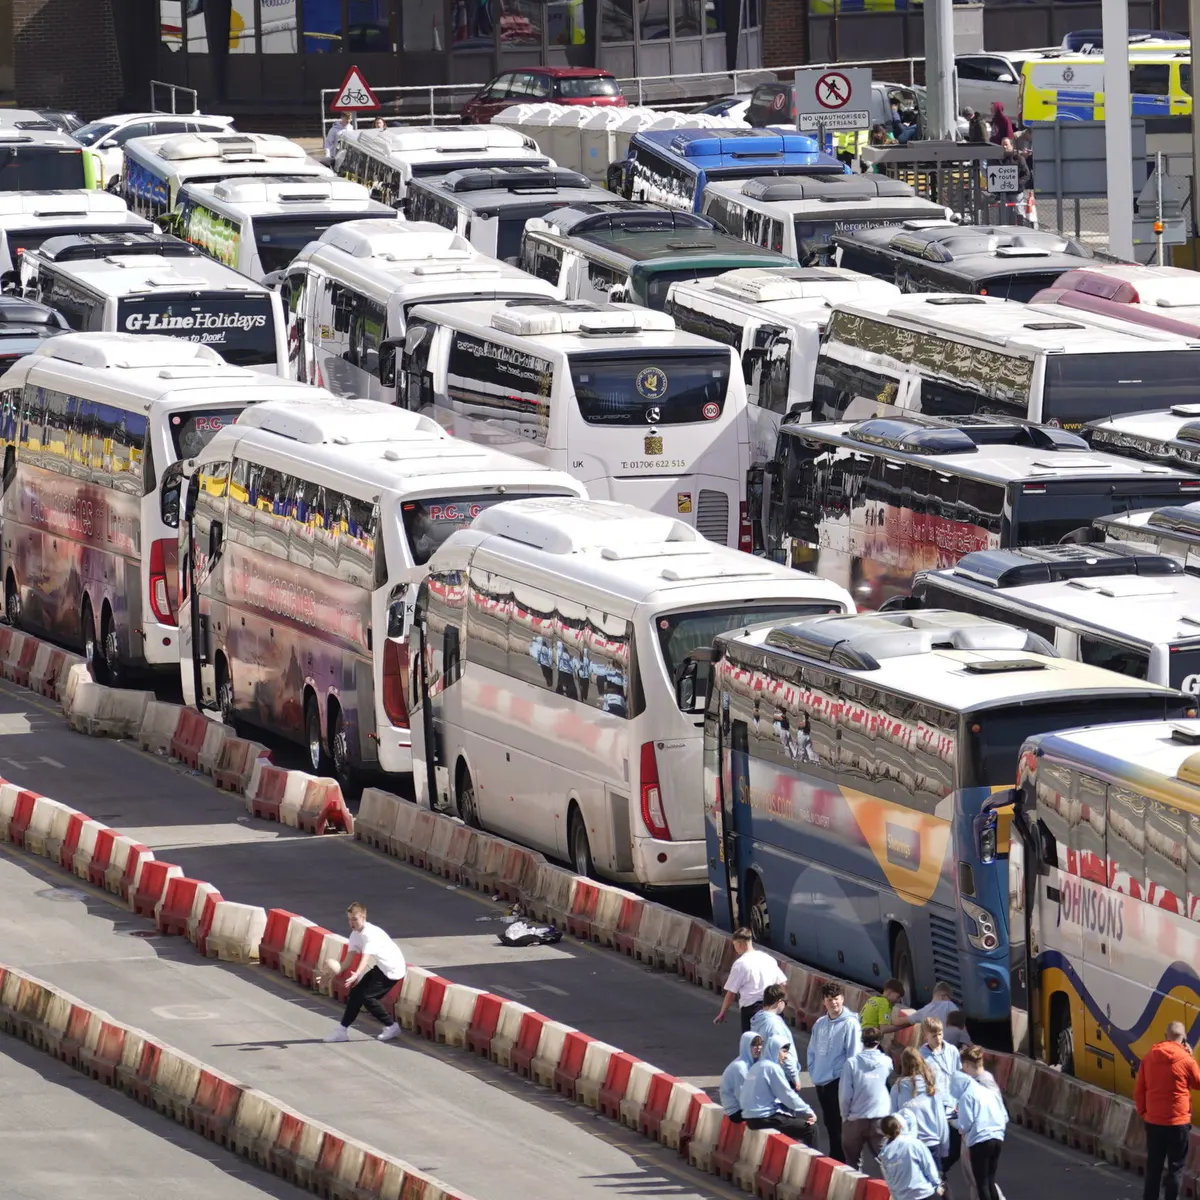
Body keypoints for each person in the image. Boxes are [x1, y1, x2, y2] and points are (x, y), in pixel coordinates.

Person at [318, 901, 405, 1043]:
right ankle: (341, 1031)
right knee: (355, 994)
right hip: (382, 967)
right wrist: (329, 974)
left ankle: (392, 1026)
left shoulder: (369, 934)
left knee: (367, 997)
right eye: (349, 920)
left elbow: (365, 958)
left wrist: (357, 974)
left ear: (363, 917)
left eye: (355, 919)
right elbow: (346, 962)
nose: (352, 923)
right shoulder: (354, 935)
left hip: (393, 969)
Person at [1135, 1020, 1200, 1200]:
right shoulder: (1186, 1060)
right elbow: (1198, 1083)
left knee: (1153, 1168)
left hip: (1154, 1122)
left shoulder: (1149, 1057)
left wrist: (1144, 1113)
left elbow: (1139, 1090)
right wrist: (1191, 1057)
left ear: (1165, 1037)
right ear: (1184, 1039)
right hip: (1178, 1124)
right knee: (1176, 1169)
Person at [807, 980, 863, 1162]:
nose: (834, 1003)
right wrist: (814, 1072)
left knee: (841, 1126)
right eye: (829, 999)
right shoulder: (820, 1024)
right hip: (820, 1081)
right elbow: (812, 1051)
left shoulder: (850, 1024)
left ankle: (844, 1162)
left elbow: (853, 1056)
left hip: (838, 1082)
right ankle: (835, 1159)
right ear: (824, 1001)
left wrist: (847, 1083)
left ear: (843, 999)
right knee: (829, 1124)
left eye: (836, 999)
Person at [739, 1034, 818, 1144]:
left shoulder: (757, 1066)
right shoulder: (772, 1068)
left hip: (751, 1118)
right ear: (775, 1050)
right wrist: (808, 1111)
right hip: (764, 1119)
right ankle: (812, 1161)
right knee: (811, 1129)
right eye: (784, 1051)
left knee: (789, 1120)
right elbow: (787, 1095)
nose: (786, 1056)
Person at [955, 1044, 1008, 1200]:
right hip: (996, 1134)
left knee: (982, 1184)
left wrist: (955, 1122)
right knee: (989, 1181)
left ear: (966, 1065)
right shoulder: (987, 1080)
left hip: (979, 1137)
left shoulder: (978, 1085)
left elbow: (965, 1124)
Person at [839, 1026, 893, 1169]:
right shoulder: (886, 1062)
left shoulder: (851, 1063)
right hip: (880, 1116)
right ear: (879, 1041)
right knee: (886, 1162)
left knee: (853, 1164)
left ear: (861, 1041)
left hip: (855, 1118)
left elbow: (845, 1094)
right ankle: (890, 1190)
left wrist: (845, 1116)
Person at [714, 928, 788, 1032]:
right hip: (774, 1007)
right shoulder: (768, 958)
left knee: (752, 1044)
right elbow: (783, 983)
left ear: (739, 944)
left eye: (734, 945)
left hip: (752, 1010)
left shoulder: (740, 964)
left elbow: (731, 993)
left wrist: (722, 1013)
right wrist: (783, 1003)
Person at [890, 1049, 950, 1170]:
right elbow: (941, 1120)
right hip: (932, 1144)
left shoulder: (898, 1088)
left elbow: (893, 1118)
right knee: (935, 1184)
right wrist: (944, 1149)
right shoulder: (932, 1088)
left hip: (909, 1146)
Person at [878, 1112, 944, 1200]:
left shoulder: (884, 1155)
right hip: (924, 1193)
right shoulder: (914, 1143)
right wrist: (937, 1185)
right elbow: (928, 1166)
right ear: (900, 1126)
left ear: (884, 1132)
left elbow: (890, 1181)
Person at [751, 984, 801, 1087]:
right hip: (780, 1077)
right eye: (785, 1003)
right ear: (779, 1002)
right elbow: (783, 1053)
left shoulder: (757, 1020)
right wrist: (794, 1077)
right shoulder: (775, 1026)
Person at [719, 1032, 762, 1122]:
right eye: (754, 1045)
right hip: (736, 1111)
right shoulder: (740, 1067)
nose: (758, 1048)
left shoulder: (750, 1063)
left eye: (760, 1044)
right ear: (746, 1046)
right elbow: (742, 1096)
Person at [888, 981, 957, 1034]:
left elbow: (898, 1022)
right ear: (943, 996)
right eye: (949, 998)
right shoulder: (950, 1004)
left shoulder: (924, 1011)